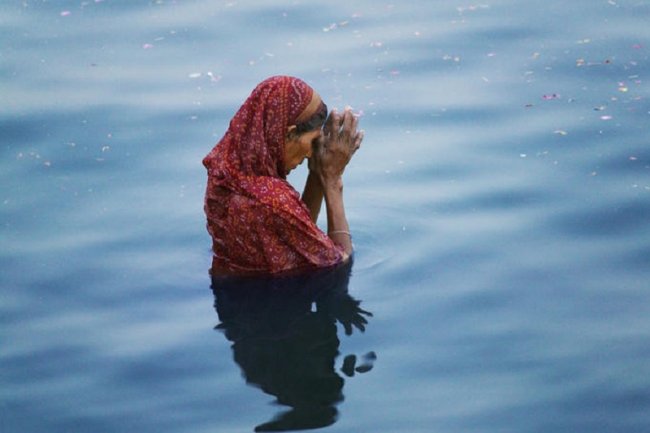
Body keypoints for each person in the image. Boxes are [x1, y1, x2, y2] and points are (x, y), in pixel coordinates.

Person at [203, 76, 364, 275]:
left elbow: (296, 235)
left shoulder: (225, 170)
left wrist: (316, 175)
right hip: (272, 299)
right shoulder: (271, 201)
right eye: (312, 141)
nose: (310, 153)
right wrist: (331, 182)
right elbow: (337, 264)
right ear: (288, 134)